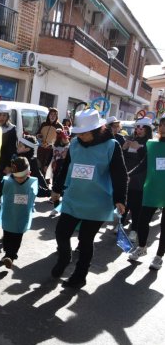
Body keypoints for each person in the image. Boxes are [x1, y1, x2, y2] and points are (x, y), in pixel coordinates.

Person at [50, 109, 128, 289]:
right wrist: (56, 189)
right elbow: (65, 167)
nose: (81, 136)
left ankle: (79, 275)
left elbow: (120, 174)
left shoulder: (111, 145)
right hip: (73, 197)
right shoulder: (75, 144)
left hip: (97, 202)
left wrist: (120, 199)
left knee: (85, 240)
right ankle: (64, 258)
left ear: (97, 129)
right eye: (79, 132)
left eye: (84, 132)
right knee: (61, 232)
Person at [126, 116, 165, 270]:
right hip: (152, 188)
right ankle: (141, 247)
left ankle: (159, 257)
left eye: (164, 124)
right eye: (161, 124)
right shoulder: (153, 145)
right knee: (142, 221)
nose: (162, 126)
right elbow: (144, 165)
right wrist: (128, 174)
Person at [0, 156, 38, 268]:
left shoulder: (32, 182)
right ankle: (7, 253)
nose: (19, 180)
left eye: (22, 177)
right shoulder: (7, 181)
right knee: (7, 236)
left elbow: (40, 192)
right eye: (16, 177)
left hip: (22, 217)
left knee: (17, 237)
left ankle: (10, 256)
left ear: (29, 173)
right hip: (8, 215)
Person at [122, 117, 153, 242]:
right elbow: (125, 159)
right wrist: (123, 149)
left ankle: (134, 230)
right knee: (125, 203)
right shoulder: (132, 140)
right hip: (128, 177)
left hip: (140, 181)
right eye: (137, 127)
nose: (138, 130)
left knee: (136, 207)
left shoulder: (150, 143)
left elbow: (146, 161)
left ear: (147, 129)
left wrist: (139, 148)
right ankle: (121, 224)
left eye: (141, 128)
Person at [0, 102, 18, 224]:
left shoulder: (12, 130)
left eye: (3, 115)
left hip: (3, 164)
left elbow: (12, 150)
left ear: (7, 116)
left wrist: (8, 166)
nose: (1, 117)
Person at [36, 107, 63, 176]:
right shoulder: (43, 124)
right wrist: (39, 137)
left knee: (47, 169)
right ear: (48, 115)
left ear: (57, 116)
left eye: (55, 115)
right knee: (38, 166)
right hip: (41, 149)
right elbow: (37, 134)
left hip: (51, 151)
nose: (53, 116)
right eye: (51, 114)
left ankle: (45, 184)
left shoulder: (59, 126)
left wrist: (53, 145)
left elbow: (61, 140)